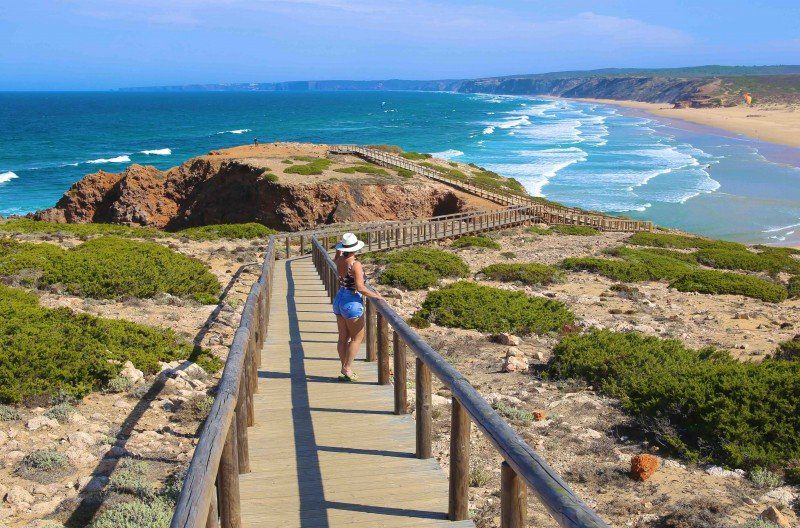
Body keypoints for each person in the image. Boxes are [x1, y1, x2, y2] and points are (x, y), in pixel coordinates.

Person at [332, 232, 383, 381]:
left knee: (343, 337)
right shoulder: (355, 264)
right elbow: (360, 287)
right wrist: (377, 296)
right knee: (357, 337)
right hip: (351, 301)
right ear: (355, 248)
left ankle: (345, 367)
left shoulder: (339, 260)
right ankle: (347, 368)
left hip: (339, 298)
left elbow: (336, 257)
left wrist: (338, 249)